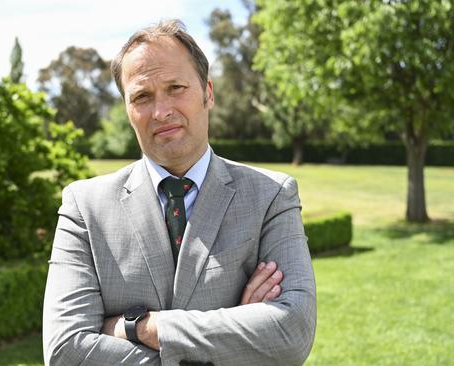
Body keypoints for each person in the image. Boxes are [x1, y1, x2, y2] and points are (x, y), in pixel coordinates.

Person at [42, 19, 316, 366]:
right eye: (142, 96)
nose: (161, 111)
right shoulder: (85, 207)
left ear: (208, 93)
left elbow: (291, 333)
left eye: (175, 87)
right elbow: (66, 352)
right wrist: (236, 340)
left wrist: (139, 326)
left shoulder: (271, 196)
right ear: (127, 111)